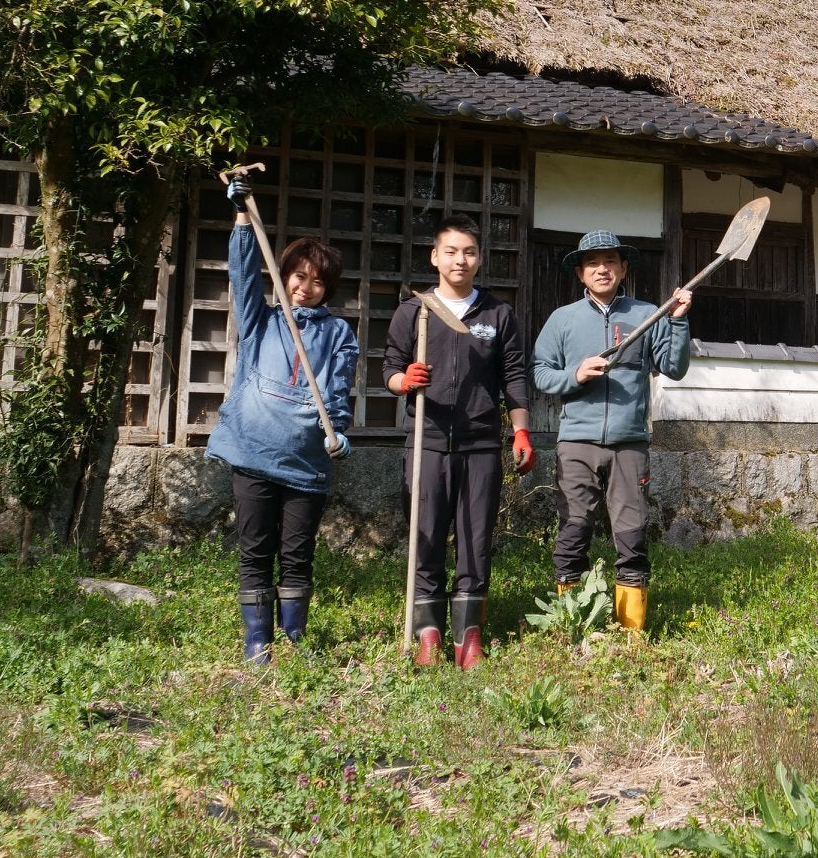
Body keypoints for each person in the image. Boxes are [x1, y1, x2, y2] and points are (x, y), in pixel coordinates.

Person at [206, 175, 358, 665]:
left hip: (306, 462)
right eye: (299, 276)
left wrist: (337, 432)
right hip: (252, 451)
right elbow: (243, 275)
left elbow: (336, 392)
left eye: (317, 281)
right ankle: (257, 642)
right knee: (256, 550)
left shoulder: (338, 333)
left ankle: (293, 641)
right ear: (286, 275)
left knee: (297, 554)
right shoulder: (260, 320)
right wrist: (242, 220)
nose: (306, 287)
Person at [383, 214, 533, 669]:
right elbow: (388, 365)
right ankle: (426, 631)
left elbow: (514, 377)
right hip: (426, 440)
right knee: (425, 534)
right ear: (435, 257)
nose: (460, 259)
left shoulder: (497, 314)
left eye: (468, 251)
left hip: (481, 443)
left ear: (479, 258)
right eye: (451, 251)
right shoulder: (415, 310)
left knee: (474, 538)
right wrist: (402, 381)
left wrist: (521, 429)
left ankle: (468, 635)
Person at [532, 229, 693, 634]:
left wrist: (676, 322)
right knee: (573, 532)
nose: (602, 269)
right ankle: (572, 623)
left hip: (629, 444)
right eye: (592, 263)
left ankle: (631, 632)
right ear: (581, 274)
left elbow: (673, 367)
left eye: (610, 262)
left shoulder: (646, 315)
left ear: (623, 268)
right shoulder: (562, 319)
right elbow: (539, 372)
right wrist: (576, 374)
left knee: (632, 536)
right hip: (576, 443)